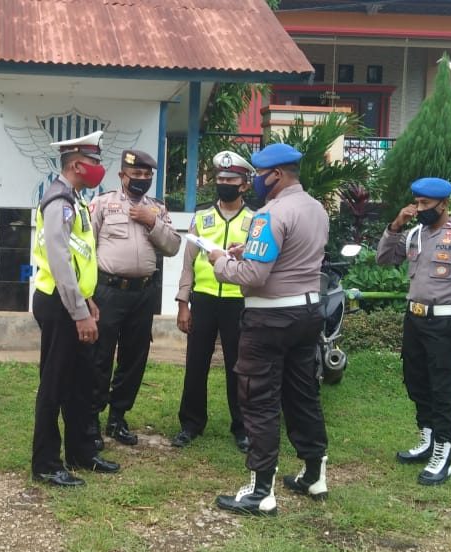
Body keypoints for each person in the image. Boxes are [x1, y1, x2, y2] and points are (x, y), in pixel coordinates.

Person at [206, 142, 330, 516]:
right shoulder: (316, 208)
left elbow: (254, 276)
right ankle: (314, 474)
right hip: (307, 312)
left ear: (276, 175)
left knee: (259, 398)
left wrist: (220, 261)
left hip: (269, 318)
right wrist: (249, 249)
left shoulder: (269, 214)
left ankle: (261, 491)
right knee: (302, 394)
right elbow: (291, 254)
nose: (256, 181)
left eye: (259, 175)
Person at [376, 177, 451, 486]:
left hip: (443, 322)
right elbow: (384, 259)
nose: (419, 208)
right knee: (416, 381)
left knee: (441, 387)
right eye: (417, 203)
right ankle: (427, 438)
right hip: (414, 319)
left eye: (426, 204)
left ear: (444, 204)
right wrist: (396, 225)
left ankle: (444, 451)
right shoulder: (415, 234)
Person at [31, 130, 121, 487]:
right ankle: (46, 463)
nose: (99, 168)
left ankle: (81, 451)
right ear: (77, 165)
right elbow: (59, 261)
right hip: (58, 303)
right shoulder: (59, 202)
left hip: (72, 301)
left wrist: (87, 299)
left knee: (81, 381)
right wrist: (78, 312)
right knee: (55, 384)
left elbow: (78, 258)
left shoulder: (75, 200)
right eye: (94, 162)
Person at [87, 149, 181, 448]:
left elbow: (173, 247)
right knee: (100, 356)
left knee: (134, 358)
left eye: (146, 175)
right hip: (108, 291)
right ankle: (91, 419)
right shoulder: (103, 204)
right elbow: (86, 247)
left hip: (143, 294)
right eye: (136, 174)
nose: (141, 179)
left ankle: (118, 418)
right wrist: (86, 294)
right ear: (122, 176)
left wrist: (152, 222)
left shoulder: (157, 209)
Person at [171, 151, 256, 453]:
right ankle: (190, 423)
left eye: (231, 180)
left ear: (244, 185)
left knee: (239, 367)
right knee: (196, 364)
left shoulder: (255, 221)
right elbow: (188, 264)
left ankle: (242, 428)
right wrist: (183, 302)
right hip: (204, 300)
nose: (224, 184)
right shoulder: (202, 218)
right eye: (220, 179)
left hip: (238, 303)